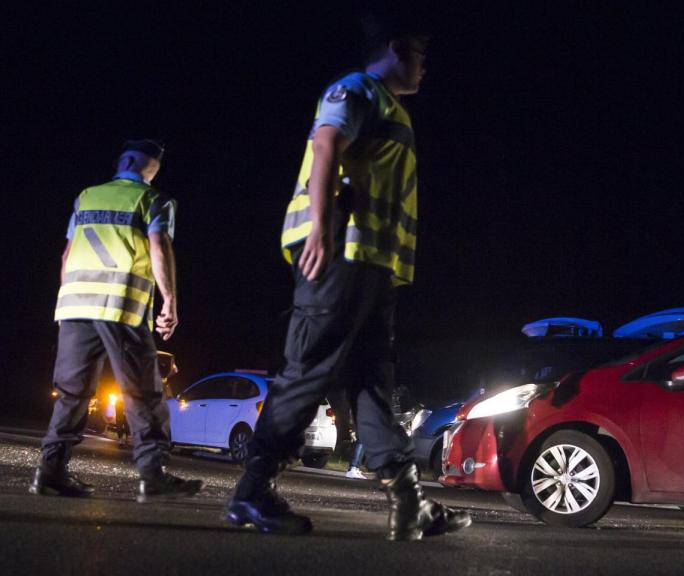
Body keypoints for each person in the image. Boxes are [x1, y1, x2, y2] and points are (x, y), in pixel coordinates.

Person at [226, 8, 470, 540]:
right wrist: (319, 230)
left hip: (374, 269)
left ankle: (410, 503)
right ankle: (251, 491)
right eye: (421, 55)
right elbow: (326, 144)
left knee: (373, 381)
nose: (426, 67)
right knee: (309, 370)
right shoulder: (355, 90)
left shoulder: (388, 108)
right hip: (343, 259)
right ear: (396, 50)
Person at [31, 139, 204, 502]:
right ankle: (153, 475)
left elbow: (66, 254)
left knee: (72, 394)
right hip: (121, 306)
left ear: (123, 160)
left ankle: (50, 470)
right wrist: (169, 301)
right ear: (151, 168)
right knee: (144, 392)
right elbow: (159, 247)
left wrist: (63, 304)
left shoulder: (87, 196)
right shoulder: (154, 201)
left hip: (75, 307)